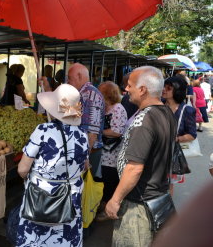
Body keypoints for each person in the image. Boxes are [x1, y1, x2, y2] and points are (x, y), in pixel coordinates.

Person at [105, 66, 177, 247]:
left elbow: (134, 167)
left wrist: (115, 200)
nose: (126, 89)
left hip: (138, 204)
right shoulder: (166, 112)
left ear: (143, 89)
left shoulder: (144, 120)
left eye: (130, 85)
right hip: (156, 196)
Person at [16, 84, 88, 247]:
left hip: (41, 199)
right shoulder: (82, 134)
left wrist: (29, 178)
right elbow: (85, 166)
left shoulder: (43, 130)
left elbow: (22, 169)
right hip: (71, 198)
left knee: (38, 240)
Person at [95, 81, 127, 221]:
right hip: (103, 152)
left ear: (107, 95)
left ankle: (108, 210)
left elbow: (117, 131)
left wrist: (98, 131)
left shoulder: (118, 109)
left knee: (109, 180)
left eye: (100, 93)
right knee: (101, 179)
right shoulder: (107, 108)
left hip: (112, 154)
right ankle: (101, 205)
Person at [162, 76, 196, 194]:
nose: (164, 90)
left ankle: (165, 210)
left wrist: (176, 139)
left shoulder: (187, 110)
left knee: (167, 185)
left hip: (171, 154)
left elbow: (192, 134)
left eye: (169, 88)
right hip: (154, 151)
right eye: (164, 87)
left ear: (178, 90)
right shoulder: (158, 105)